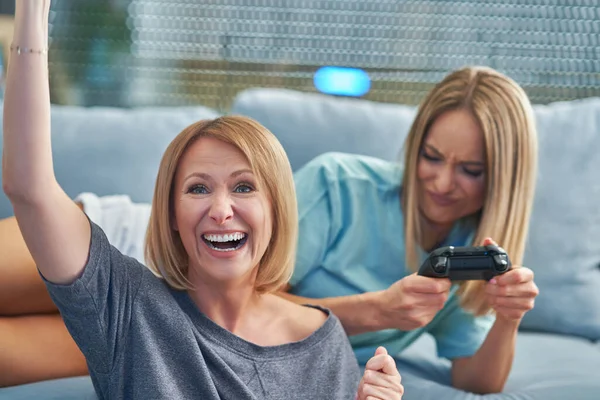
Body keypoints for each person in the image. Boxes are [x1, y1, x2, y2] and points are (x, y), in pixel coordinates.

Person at [0, 7, 537, 396]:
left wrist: (507, 316)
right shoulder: (341, 186)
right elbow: (249, 290)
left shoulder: (463, 258)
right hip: (140, 247)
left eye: (470, 170)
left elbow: (476, 378)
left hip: (189, 314)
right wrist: (30, 19)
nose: (442, 182)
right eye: (432, 156)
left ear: (501, 180)